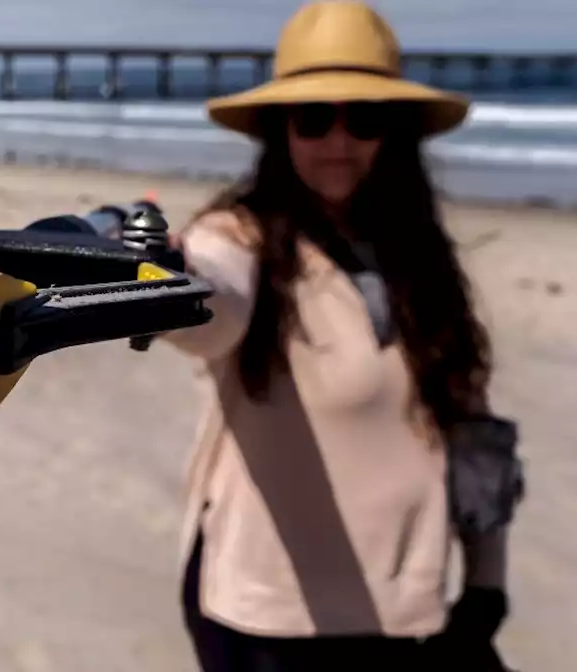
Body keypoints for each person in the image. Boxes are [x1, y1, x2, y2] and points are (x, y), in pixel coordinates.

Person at [158, 2, 524, 670]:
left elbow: (471, 428)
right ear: (280, 129)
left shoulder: (421, 260)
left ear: (396, 131)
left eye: (364, 116)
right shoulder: (240, 239)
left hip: (405, 615)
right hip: (266, 616)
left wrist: (485, 586)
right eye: (314, 117)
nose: (338, 140)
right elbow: (213, 305)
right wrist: (167, 277)